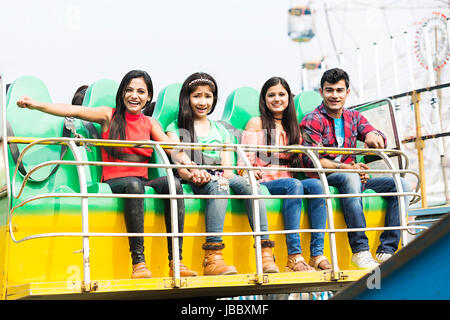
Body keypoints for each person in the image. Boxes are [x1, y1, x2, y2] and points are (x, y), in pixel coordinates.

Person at [17, 70, 204, 279]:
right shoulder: (109, 115)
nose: (135, 95)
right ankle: (139, 263)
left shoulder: (150, 123)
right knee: (134, 185)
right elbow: (74, 110)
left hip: (141, 181)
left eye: (141, 91)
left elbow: (173, 148)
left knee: (174, 186)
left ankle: (176, 261)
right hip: (115, 181)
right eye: (129, 90)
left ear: (148, 96)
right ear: (122, 93)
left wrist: (192, 166)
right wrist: (37, 105)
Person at [166, 72, 279, 276]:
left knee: (251, 185)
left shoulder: (221, 130)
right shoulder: (175, 128)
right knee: (220, 185)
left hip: (219, 177)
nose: (203, 102)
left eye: (208, 96)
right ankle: (213, 257)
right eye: (197, 96)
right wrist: (195, 174)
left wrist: (236, 177)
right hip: (195, 179)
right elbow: (179, 165)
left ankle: (265, 252)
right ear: (187, 98)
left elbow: (228, 170)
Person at [299, 68, 411, 269]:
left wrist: (374, 136)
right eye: (329, 90)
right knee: (351, 177)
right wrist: (348, 167)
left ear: (347, 92)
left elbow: (376, 135)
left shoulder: (354, 117)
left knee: (401, 184)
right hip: (326, 178)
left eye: (339, 90)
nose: (335, 95)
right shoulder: (312, 119)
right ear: (321, 92)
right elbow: (311, 161)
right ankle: (360, 249)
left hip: (354, 176)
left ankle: (387, 250)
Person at [238, 76, 331, 272]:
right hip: (264, 180)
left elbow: (302, 164)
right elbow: (244, 160)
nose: (277, 99)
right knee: (294, 185)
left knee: (315, 186)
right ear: (264, 99)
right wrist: (249, 171)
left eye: (281, 94)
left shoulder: (293, 128)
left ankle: (316, 253)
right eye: (271, 95)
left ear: (289, 98)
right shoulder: (256, 123)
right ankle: (294, 256)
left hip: (287, 180)